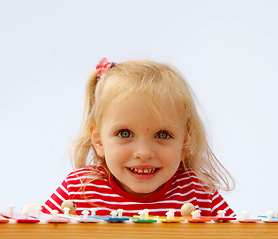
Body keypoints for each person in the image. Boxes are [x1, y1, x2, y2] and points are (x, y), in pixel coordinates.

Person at [42, 58, 235, 217]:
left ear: (184, 143)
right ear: (99, 141)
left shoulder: (199, 193)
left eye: (162, 135)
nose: (143, 153)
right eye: (124, 134)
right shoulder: (78, 190)